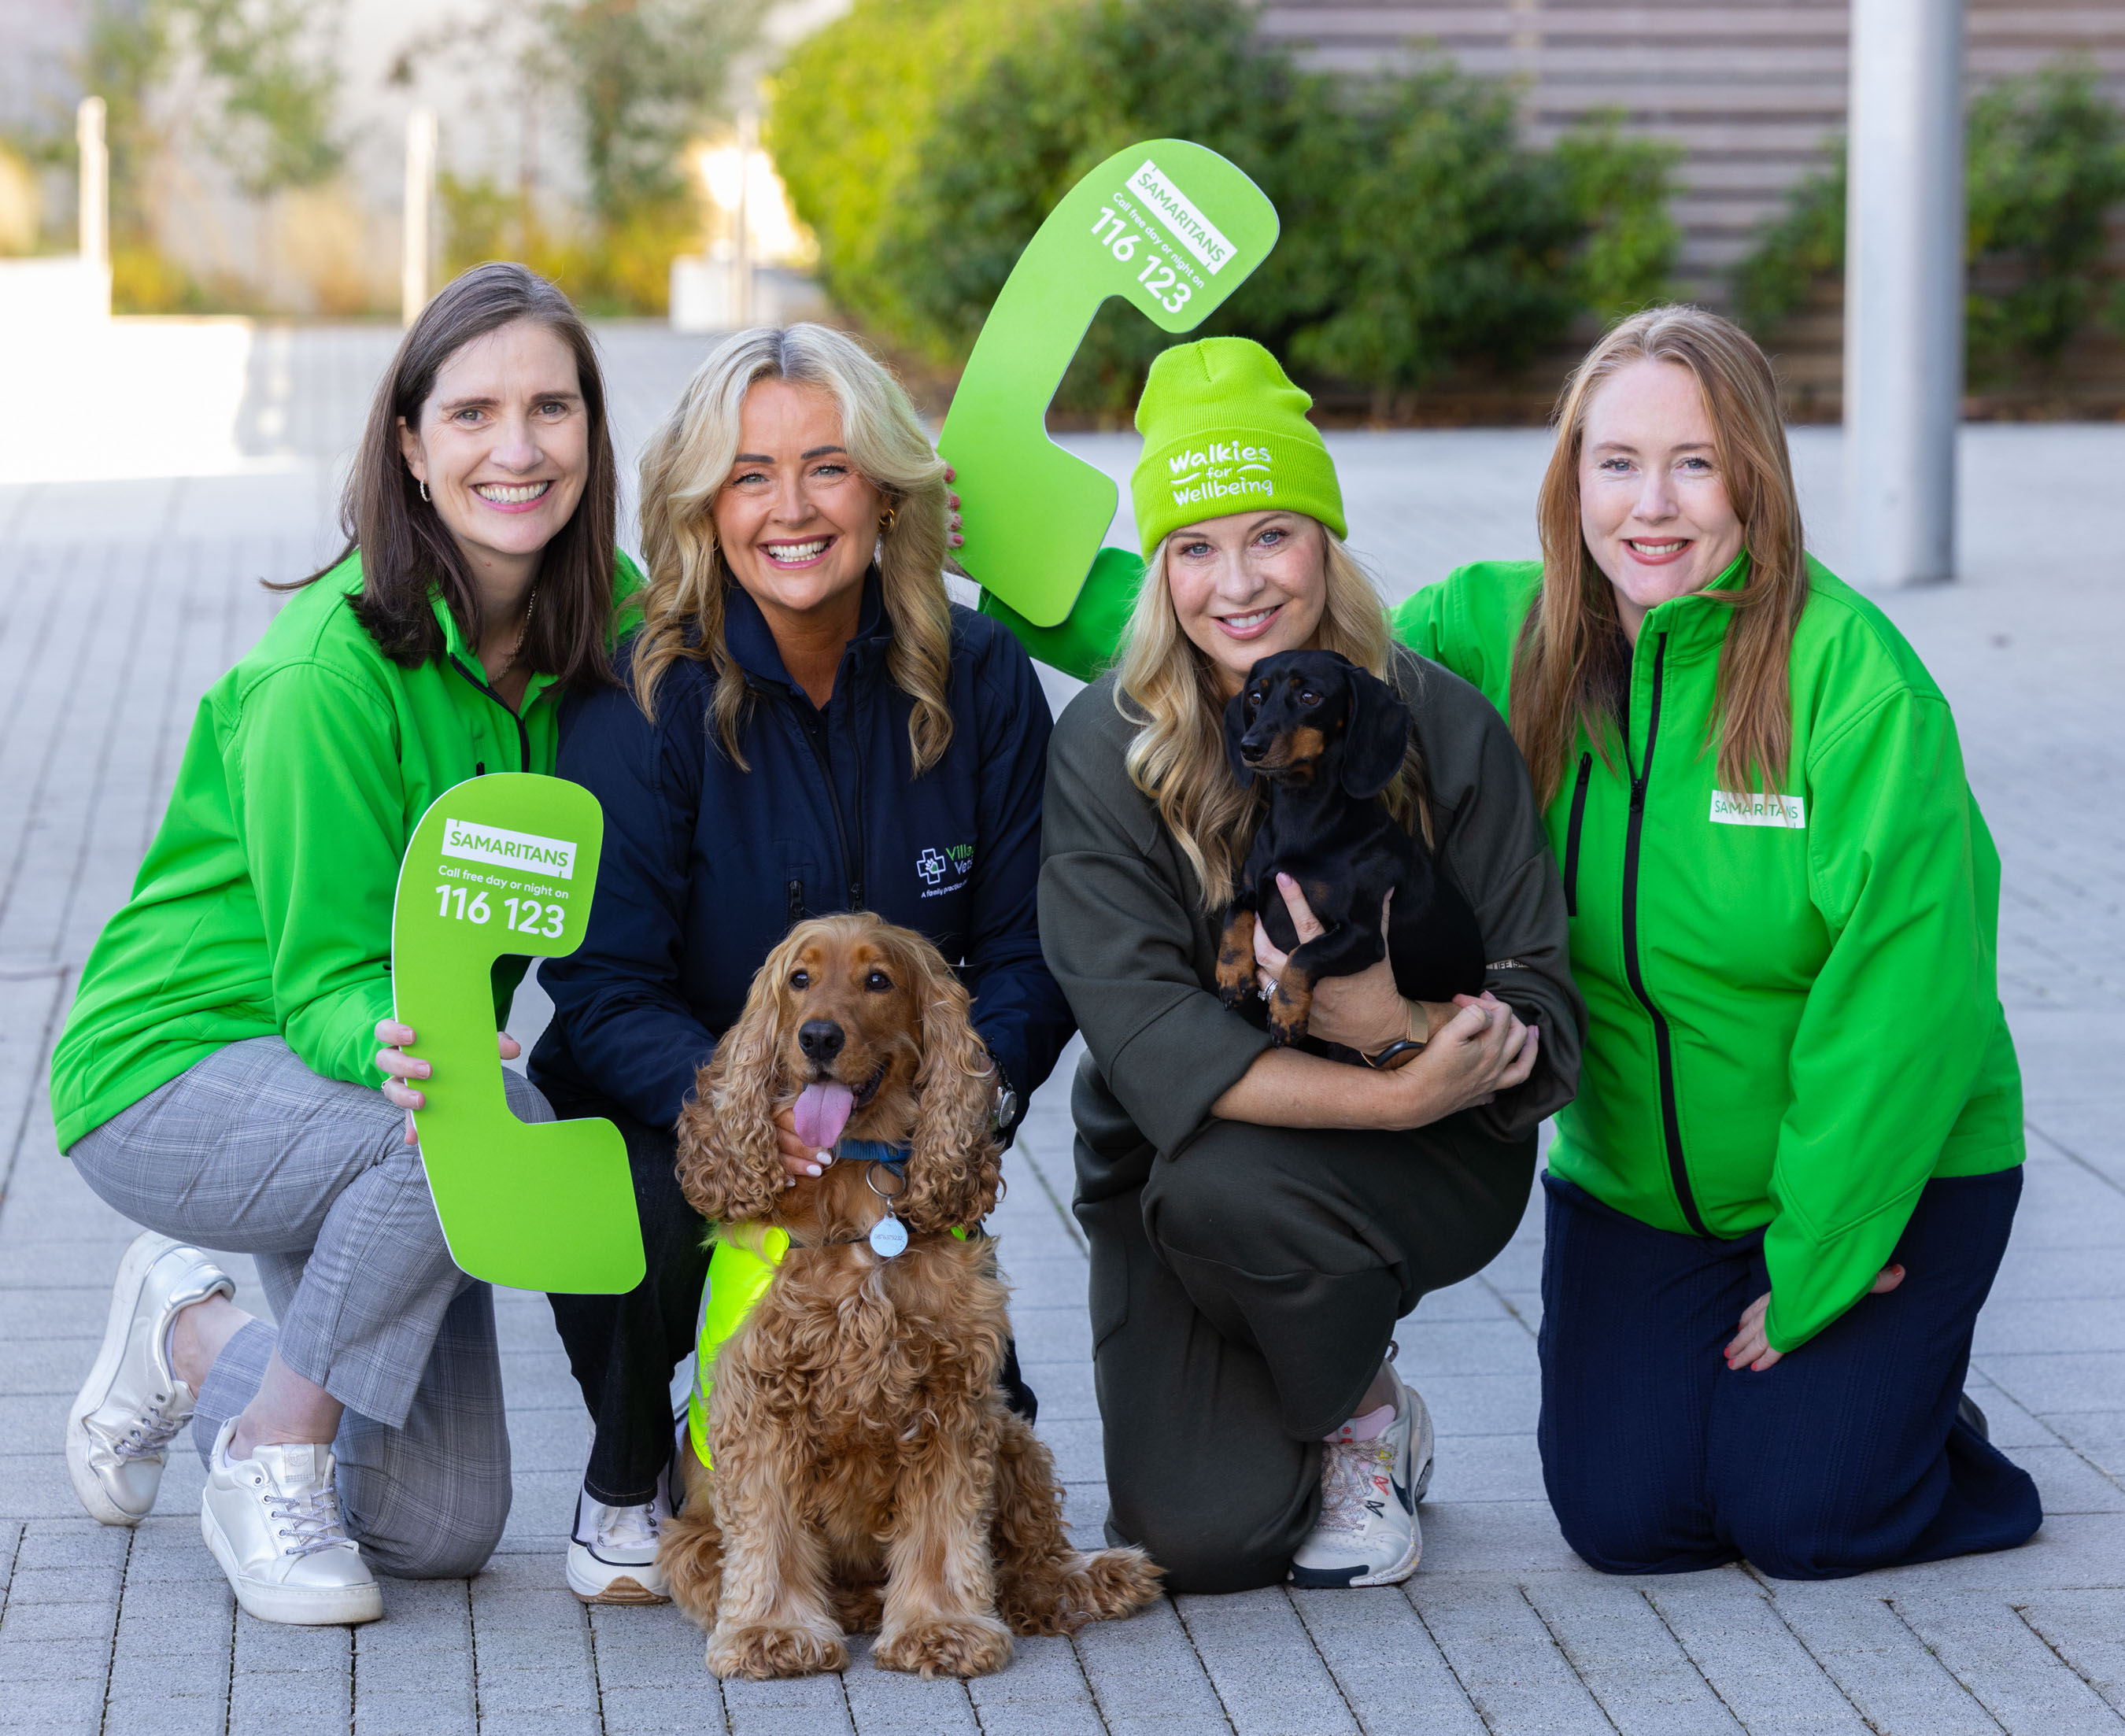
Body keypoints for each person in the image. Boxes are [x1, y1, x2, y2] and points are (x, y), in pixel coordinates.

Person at [1392, 305, 2038, 1577]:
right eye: (1616, 461)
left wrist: (1821, 1265)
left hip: (1890, 1171)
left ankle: (1925, 1429)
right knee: (1627, 1523)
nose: (1654, 505)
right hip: (1643, 1194)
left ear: (1756, 473)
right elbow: (1260, 630)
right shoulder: (1495, 634)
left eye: (1695, 462)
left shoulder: (1857, 688)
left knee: (1804, 1519)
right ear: (1571, 475)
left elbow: (1904, 1014)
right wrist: (1045, 572)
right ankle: (1822, 1407)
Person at [50, 262, 641, 1624]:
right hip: (179, 1057)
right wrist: (422, 1055)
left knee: (436, 1526)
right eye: (475, 412)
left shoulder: (602, 611)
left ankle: (187, 1334)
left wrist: (911, 533)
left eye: (553, 407)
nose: (518, 447)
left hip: (375, 1070)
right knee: (474, 1106)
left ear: (592, 435)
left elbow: (754, 636)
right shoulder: (327, 673)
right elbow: (323, 982)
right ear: (410, 447)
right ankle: (273, 1450)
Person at [531, 323, 1074, 1604]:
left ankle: (917, 1454)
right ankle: (631, 1469)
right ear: (702, 503)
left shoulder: (983, 677)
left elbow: (1028, 951)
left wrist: (957, 1105)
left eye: (825, 469)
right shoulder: (640, 694)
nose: (789, 509)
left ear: (885, 490)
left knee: (960, 1384)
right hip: (694, 1107)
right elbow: (601, 987)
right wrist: (746, 1112)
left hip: (895, 1122)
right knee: (660, 1206)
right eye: (749, 474)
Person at [1038, 337, 1584, 1593]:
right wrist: (1392, 1071)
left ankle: (1358, 1420)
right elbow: (1148, 1037)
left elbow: (1541, 991)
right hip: (1184, 1173)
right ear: (1160, 566)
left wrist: (1416, 1031)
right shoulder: (1105, 748)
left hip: (1433, 1151)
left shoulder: (1433, 719)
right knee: (1202, 1539)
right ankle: (1344, 1364)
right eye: (1193, 546)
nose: (1236, 584)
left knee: (1235, 1195)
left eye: (1271, 535)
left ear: (1326, 543)